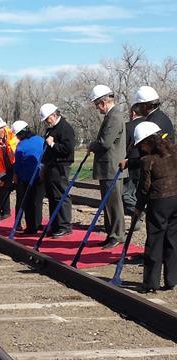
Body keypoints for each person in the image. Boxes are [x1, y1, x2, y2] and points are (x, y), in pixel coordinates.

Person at [132, 122, 177, 293]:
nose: (141, 149)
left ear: (148, 142)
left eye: (141, 144)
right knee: (173, 240)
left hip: (159, 202)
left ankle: (151, 283)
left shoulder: (148, 160)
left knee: (155, 241)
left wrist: (138, 207)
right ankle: (172, 279)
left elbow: (144, 188)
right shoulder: (174, 150)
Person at [88, 85, 127, 249]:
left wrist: (92, 145)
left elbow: (105, 143)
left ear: (104, 102)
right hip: (107, 168)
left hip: (112, 167)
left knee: (114, 204)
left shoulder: (114, 117)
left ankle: (117, 235)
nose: (97, 108)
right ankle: (111, 234)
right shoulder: (111, 116)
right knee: (108, 204)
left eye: (97, 104)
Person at [40, 104, 75, 238]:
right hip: (50, 166)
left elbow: (68, 149)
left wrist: (53, 144)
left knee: (61, 195)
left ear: (53, 115)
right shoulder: (52, 128)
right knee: (52, 196)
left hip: (61, 166)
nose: (45, 122)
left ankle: (65, 225)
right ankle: (55, 224)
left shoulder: (65, 128)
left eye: (47, 119)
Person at [12, 120, 46, 235]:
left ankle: (31, 227)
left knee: (28, 202)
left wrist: (15, 175)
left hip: (27, 177)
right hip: (42, 175)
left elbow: (18, 163)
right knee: (37, 201)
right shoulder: (41, 140)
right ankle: (37, 223)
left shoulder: (21, 145)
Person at [121, 103, 146, 230]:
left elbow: (123, 146)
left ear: (133, 113)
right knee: (138, 194)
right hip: (146, 165)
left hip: (132, 165)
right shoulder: (149, 124)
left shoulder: (128, 127)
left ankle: (140, 212)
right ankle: (136, 222)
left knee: (126, 195)